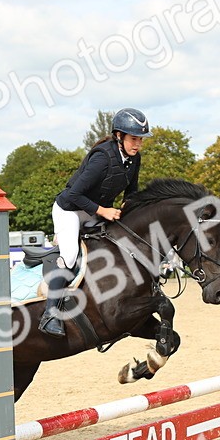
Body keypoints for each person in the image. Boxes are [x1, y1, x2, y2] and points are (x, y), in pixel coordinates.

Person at [39, 107, 150, 336]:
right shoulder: (102, 158)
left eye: (140, 139)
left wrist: (128, 208)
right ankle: (50, 314)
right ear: (119, 136)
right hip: (69, 210)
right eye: (134, 139)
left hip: (96, 211)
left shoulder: (134, 159)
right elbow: (73, 195)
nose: (138, 144)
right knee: (70, 255)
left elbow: (131, 191)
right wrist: (103, 211)